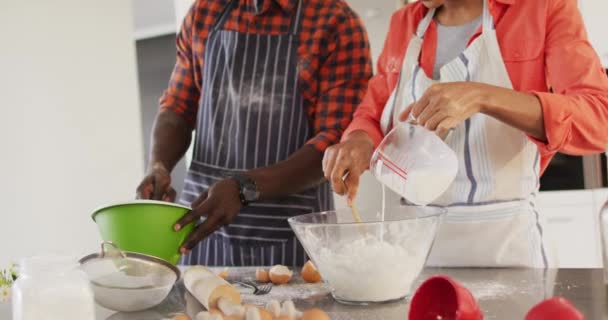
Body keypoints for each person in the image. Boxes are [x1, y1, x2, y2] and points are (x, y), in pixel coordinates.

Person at [323, 0, 608, 267]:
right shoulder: (406, 23)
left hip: (506, 252)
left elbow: (599, 117)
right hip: (412, 255)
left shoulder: (541, 8)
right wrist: (358, 140)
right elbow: (371, 114)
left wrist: (483, 96)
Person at [136, 0, 372, 267]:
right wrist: (159, 164)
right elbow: (178, 108)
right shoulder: (206, 11)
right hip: (203, 232)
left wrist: (243, 188)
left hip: (291, 241)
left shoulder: (336, 23)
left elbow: (335, 142)